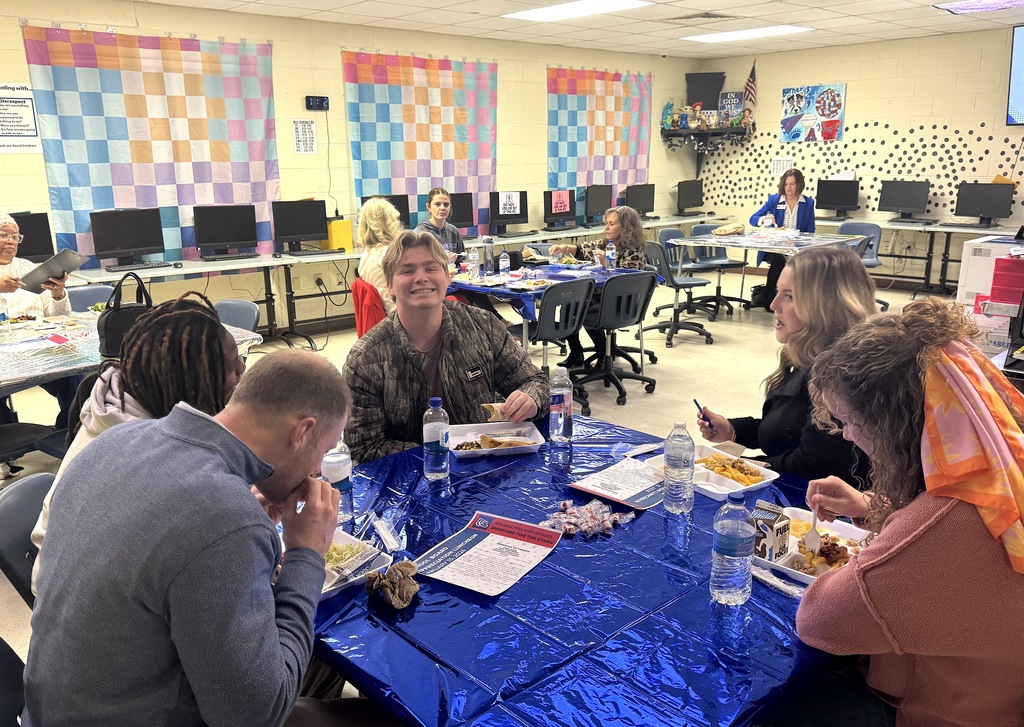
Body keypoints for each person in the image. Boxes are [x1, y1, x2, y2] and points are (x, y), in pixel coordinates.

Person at [24, 350, 396, 727]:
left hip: (55, 707)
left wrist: (237, 506)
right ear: (302, 432)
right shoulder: (229, 521)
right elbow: (255, 717)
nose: (318, 470)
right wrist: (307, 554)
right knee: (386, 712)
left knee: (316, 651)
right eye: (325, 449)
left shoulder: (115, 439)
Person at [761, 299, 1024, 726]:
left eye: (848, 420)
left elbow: (820, 621)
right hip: (996, 693)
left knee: (776, 702)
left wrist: (890, 534)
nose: (845, 434)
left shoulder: (942, 525)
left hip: (939, 712)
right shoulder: (999, 462)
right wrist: (872, 506)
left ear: (894, 425)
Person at [29, 292, 246, 594]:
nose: (241, 375)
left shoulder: (116, 399)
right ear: (193, 381)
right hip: (85, 599)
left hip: (71, 581)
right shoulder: (148, 455)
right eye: (233, 368)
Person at [344, 230, 548, 464]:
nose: (421, 277)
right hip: (409, 485)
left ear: (447, 277)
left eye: (431, 268)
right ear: (389, 284)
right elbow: (363, 447)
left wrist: (531, 399)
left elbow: (536, 382)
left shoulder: (483, 327)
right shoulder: (366, 359)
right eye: (408, 270)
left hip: (485, 471)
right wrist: (442, 453)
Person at [697, 247, 876, 490]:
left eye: (789, 296)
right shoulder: (812, 357)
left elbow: (811, 466)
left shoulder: (843, 376)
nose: (773, 304)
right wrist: (734, 430)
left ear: (824, 305)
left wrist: (737, 466)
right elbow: (789, 431)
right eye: (778, 292)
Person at [0, 211, 79, 429]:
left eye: (15, 237)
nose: (11, 241)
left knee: (75, 377)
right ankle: (9, 443)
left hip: (40, 348)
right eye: (3, 235)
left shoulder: (28, 267)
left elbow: (59, 317)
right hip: (4, 355)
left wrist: (58, 293)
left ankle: (69, 433)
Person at [549, 205, 648, 368]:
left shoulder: (633, 251)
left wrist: (608, 265)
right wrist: (564, 248)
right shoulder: (605, 244)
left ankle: (603, 354)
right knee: (569, 304)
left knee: (581, 309)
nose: (606, 228)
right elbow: (582, 249)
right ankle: (576, 352)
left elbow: (628, 282)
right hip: (601, 297)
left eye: (612, 224)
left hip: (622, 303)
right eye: (606, 223)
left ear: (626, 227)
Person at [748, 168, 815, 309]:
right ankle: (770, 300)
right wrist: (764, 219)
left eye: (792, 184)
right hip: (775, 246)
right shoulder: (774, 200)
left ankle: (795, 300)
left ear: (799, 185)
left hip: (797, 246)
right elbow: (752, 219)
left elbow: (810, 230)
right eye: (786, 184)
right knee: (780, 260)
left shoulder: (808, 203)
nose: (789, 188)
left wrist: (804, 245)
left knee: (798, 262)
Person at [357, 196, 404, 315]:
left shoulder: (367, 253)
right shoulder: (387, 253)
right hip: (398, 315)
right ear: (387, 223)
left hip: (384, 315)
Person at [414, 187, 465, 259]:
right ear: (429, 207)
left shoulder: (453, 231)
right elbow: (417, 263)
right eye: (437, 204)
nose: (442, 208)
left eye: (446, 204)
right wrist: (443, 262)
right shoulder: (419, 233)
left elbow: (461, 260)